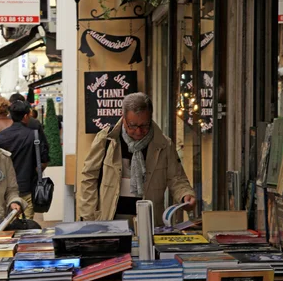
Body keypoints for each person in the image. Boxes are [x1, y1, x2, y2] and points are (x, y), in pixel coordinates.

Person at [80, 92, 196, 227]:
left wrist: (185, 195)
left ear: (151, 118)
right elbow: (89, 177)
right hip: (109, 221)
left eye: (144, 125)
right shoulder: (106, 139)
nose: (139, 131)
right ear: (123, 119)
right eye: (133, 125)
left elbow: (176, 178)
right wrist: (89, 219)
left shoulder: (164, 145)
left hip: (149, 223)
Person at [0, 101, 49, 219]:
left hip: (5, 189)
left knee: (9, 225)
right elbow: (44, 159)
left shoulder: (0, 137)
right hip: (27, 186)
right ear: (25, 116)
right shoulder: (34, 135)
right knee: (27, 225)